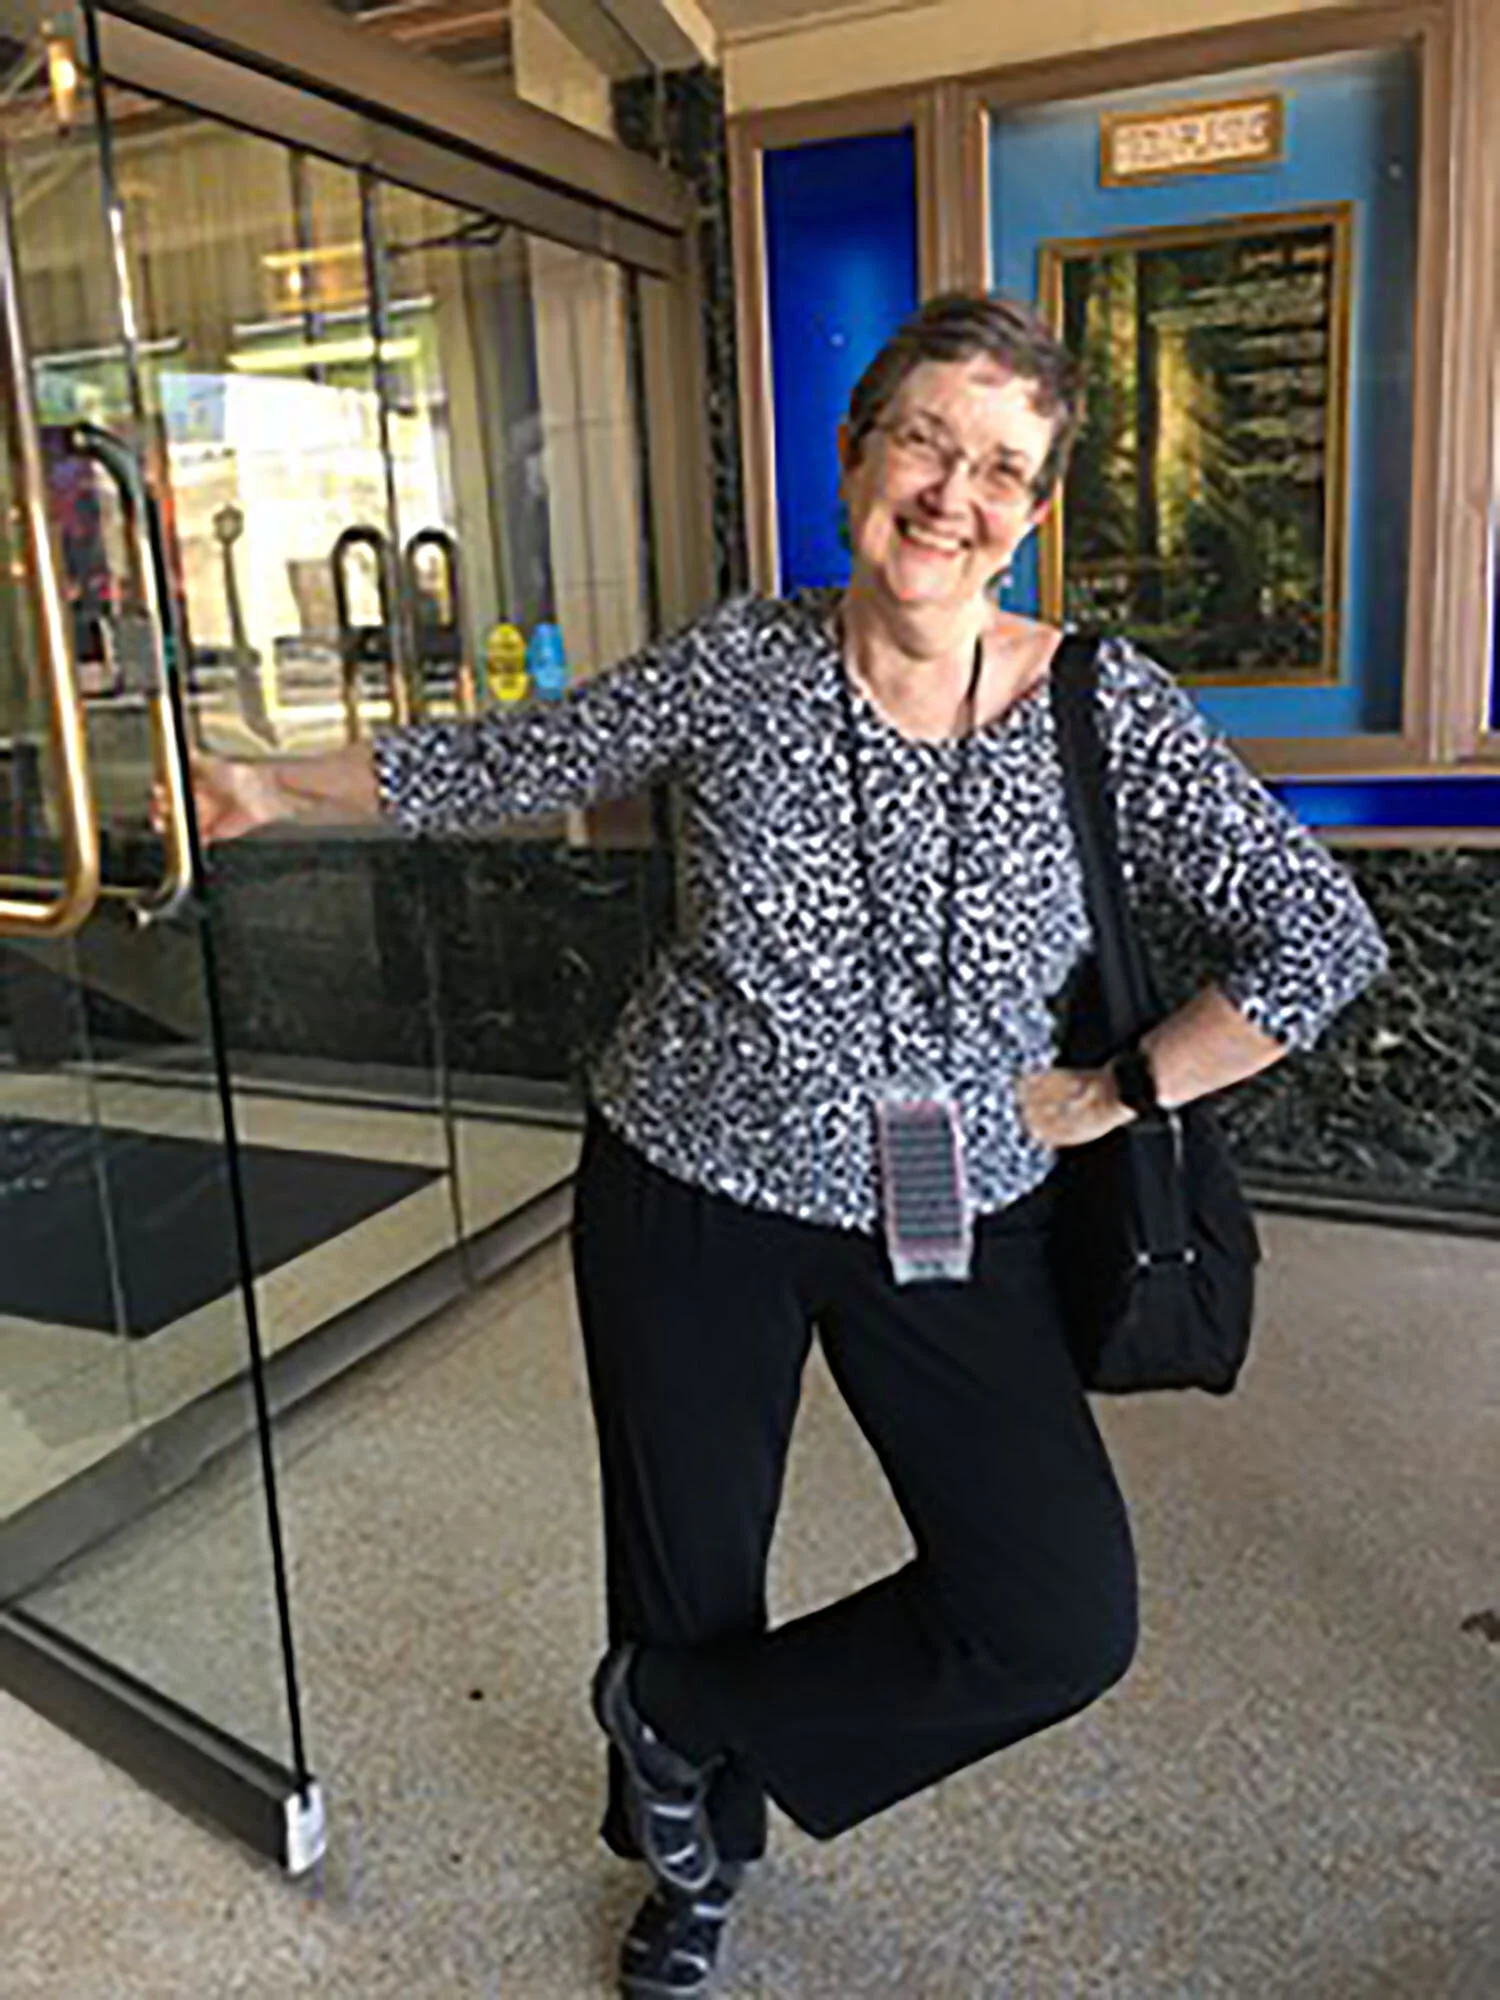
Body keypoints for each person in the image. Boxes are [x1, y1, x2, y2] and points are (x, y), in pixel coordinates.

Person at [183, 292, 1388, 1998]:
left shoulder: (1100, 705)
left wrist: (1119, 1089)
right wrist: (265, 788)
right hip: (689, 1184)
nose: (951, 493)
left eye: (1000, 468)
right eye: (922, 443)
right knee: (689, 1555)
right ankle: (693, 1868)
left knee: (1054, 1611)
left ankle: (673, 1721)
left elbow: (1318, 937)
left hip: (956, 1209)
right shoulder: (747, 661)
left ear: (1036, 510)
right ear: (853, 457)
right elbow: (520, 756)